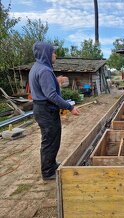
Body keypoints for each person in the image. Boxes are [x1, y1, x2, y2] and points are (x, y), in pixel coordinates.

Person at [29, 42, 80, 180]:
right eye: (53, 52)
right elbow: (51, 95)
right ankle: (48, 172)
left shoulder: (37, 67)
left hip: (41, 108)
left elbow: (44, 89)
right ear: (46, 53)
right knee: (50, 140)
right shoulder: (45, 70)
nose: (55, 55)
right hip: (46, 110)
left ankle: (51, 165)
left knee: (51, 139)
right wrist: (70, 107)